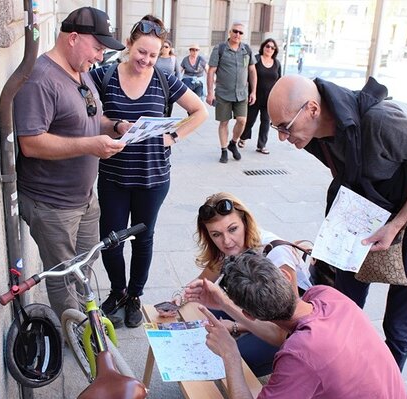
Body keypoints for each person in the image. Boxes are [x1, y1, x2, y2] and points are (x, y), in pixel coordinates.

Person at [267, 75, 407, 370]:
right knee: (341, 303)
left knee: (398, 319)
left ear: (313, 108)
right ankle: (341, 376)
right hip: (364, 213)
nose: (282, 138)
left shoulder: (380, 122)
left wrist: (396, 224)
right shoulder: (313, 135)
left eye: (285, 127)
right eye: (277, 128)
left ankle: (385, 397)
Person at [185, 253, 407, 399]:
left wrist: (230, 356)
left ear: (249, 314)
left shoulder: (300, 356)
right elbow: (282, 334)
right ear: (288, 277)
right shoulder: (326, 296)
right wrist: (225, 304)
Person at [90, 15, 207, 328]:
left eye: (153, 55)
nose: (146, 60)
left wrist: (173, 137)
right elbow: (91, 118)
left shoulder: (165, 79)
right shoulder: (104, 75)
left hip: (153, 178)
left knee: (143, 239)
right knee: (110, 239)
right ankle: (118, 291)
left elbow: (200, 111)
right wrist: (115, 125)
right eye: (141, 52)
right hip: (114, 176)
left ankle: (135, 297)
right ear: (129, 45)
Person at [13, 7, 126, 320]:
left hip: (85, 200)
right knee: (64, 277)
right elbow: (31, 143)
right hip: (53, 205)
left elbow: (88, 119)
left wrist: (116, 126)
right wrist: (91, 145)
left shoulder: (81, 71)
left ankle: (84, 323)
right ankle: (77, 336)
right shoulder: (41, 79)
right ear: (73, 38)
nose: (100, 58)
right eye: (98, 48)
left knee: (84, 267)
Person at [174, 192, 313, 376]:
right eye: (216, 234)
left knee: (233, 358)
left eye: (233, 229)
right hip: (250, 306)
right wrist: (179, 297)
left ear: (246, 222)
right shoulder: (225, 248)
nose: (226, 241)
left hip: (288, 327)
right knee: (199, 314)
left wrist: (234, 326)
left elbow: (289, 322)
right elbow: (203, 282)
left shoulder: (277, 254)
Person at [206, 21, 257, 164]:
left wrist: (253, 92)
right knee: (224, 122)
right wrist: (210, 93)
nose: (237, 34)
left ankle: (233, 143)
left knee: (242, 120)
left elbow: (252, 70)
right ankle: (223, 150)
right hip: (223, 93)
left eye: (240, 32)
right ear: (230, 32)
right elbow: (211, 71)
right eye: (235, 31)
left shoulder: (246, 50)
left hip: (242, 94)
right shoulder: (220, 48)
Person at [237, 38, 281, 155]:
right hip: (254, 96)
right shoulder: (256, 59)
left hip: (269, 99)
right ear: (263, 47)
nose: (269, 49)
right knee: (250, 120)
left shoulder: (277, 63)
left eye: (272, 47)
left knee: (266, 121)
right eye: (267, 46)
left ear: (275, 50)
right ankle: (243, 137)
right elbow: (247, 75)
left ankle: (261, 145)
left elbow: (279, 81)